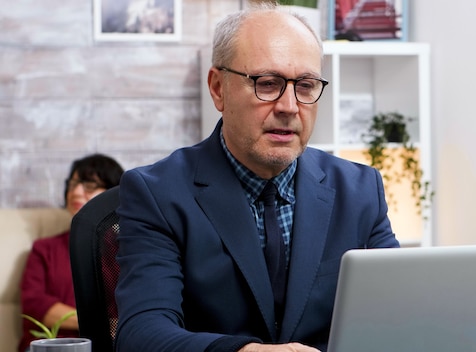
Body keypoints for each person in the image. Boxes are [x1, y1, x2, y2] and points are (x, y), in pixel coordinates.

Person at [114, 2, 400, 352]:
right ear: (218, 88)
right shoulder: (157, 194)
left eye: (306, 86)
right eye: (267, 83)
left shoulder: (359, 191)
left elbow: (397, 318)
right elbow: (141, 333)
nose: (289, 107)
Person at [18, 153, 124, 352]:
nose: (75, 192)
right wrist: (99, 323)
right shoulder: (44, 249)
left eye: (89, 185)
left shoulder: (124, 252)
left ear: (111, 195)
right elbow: (35, 305)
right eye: (73, 184)